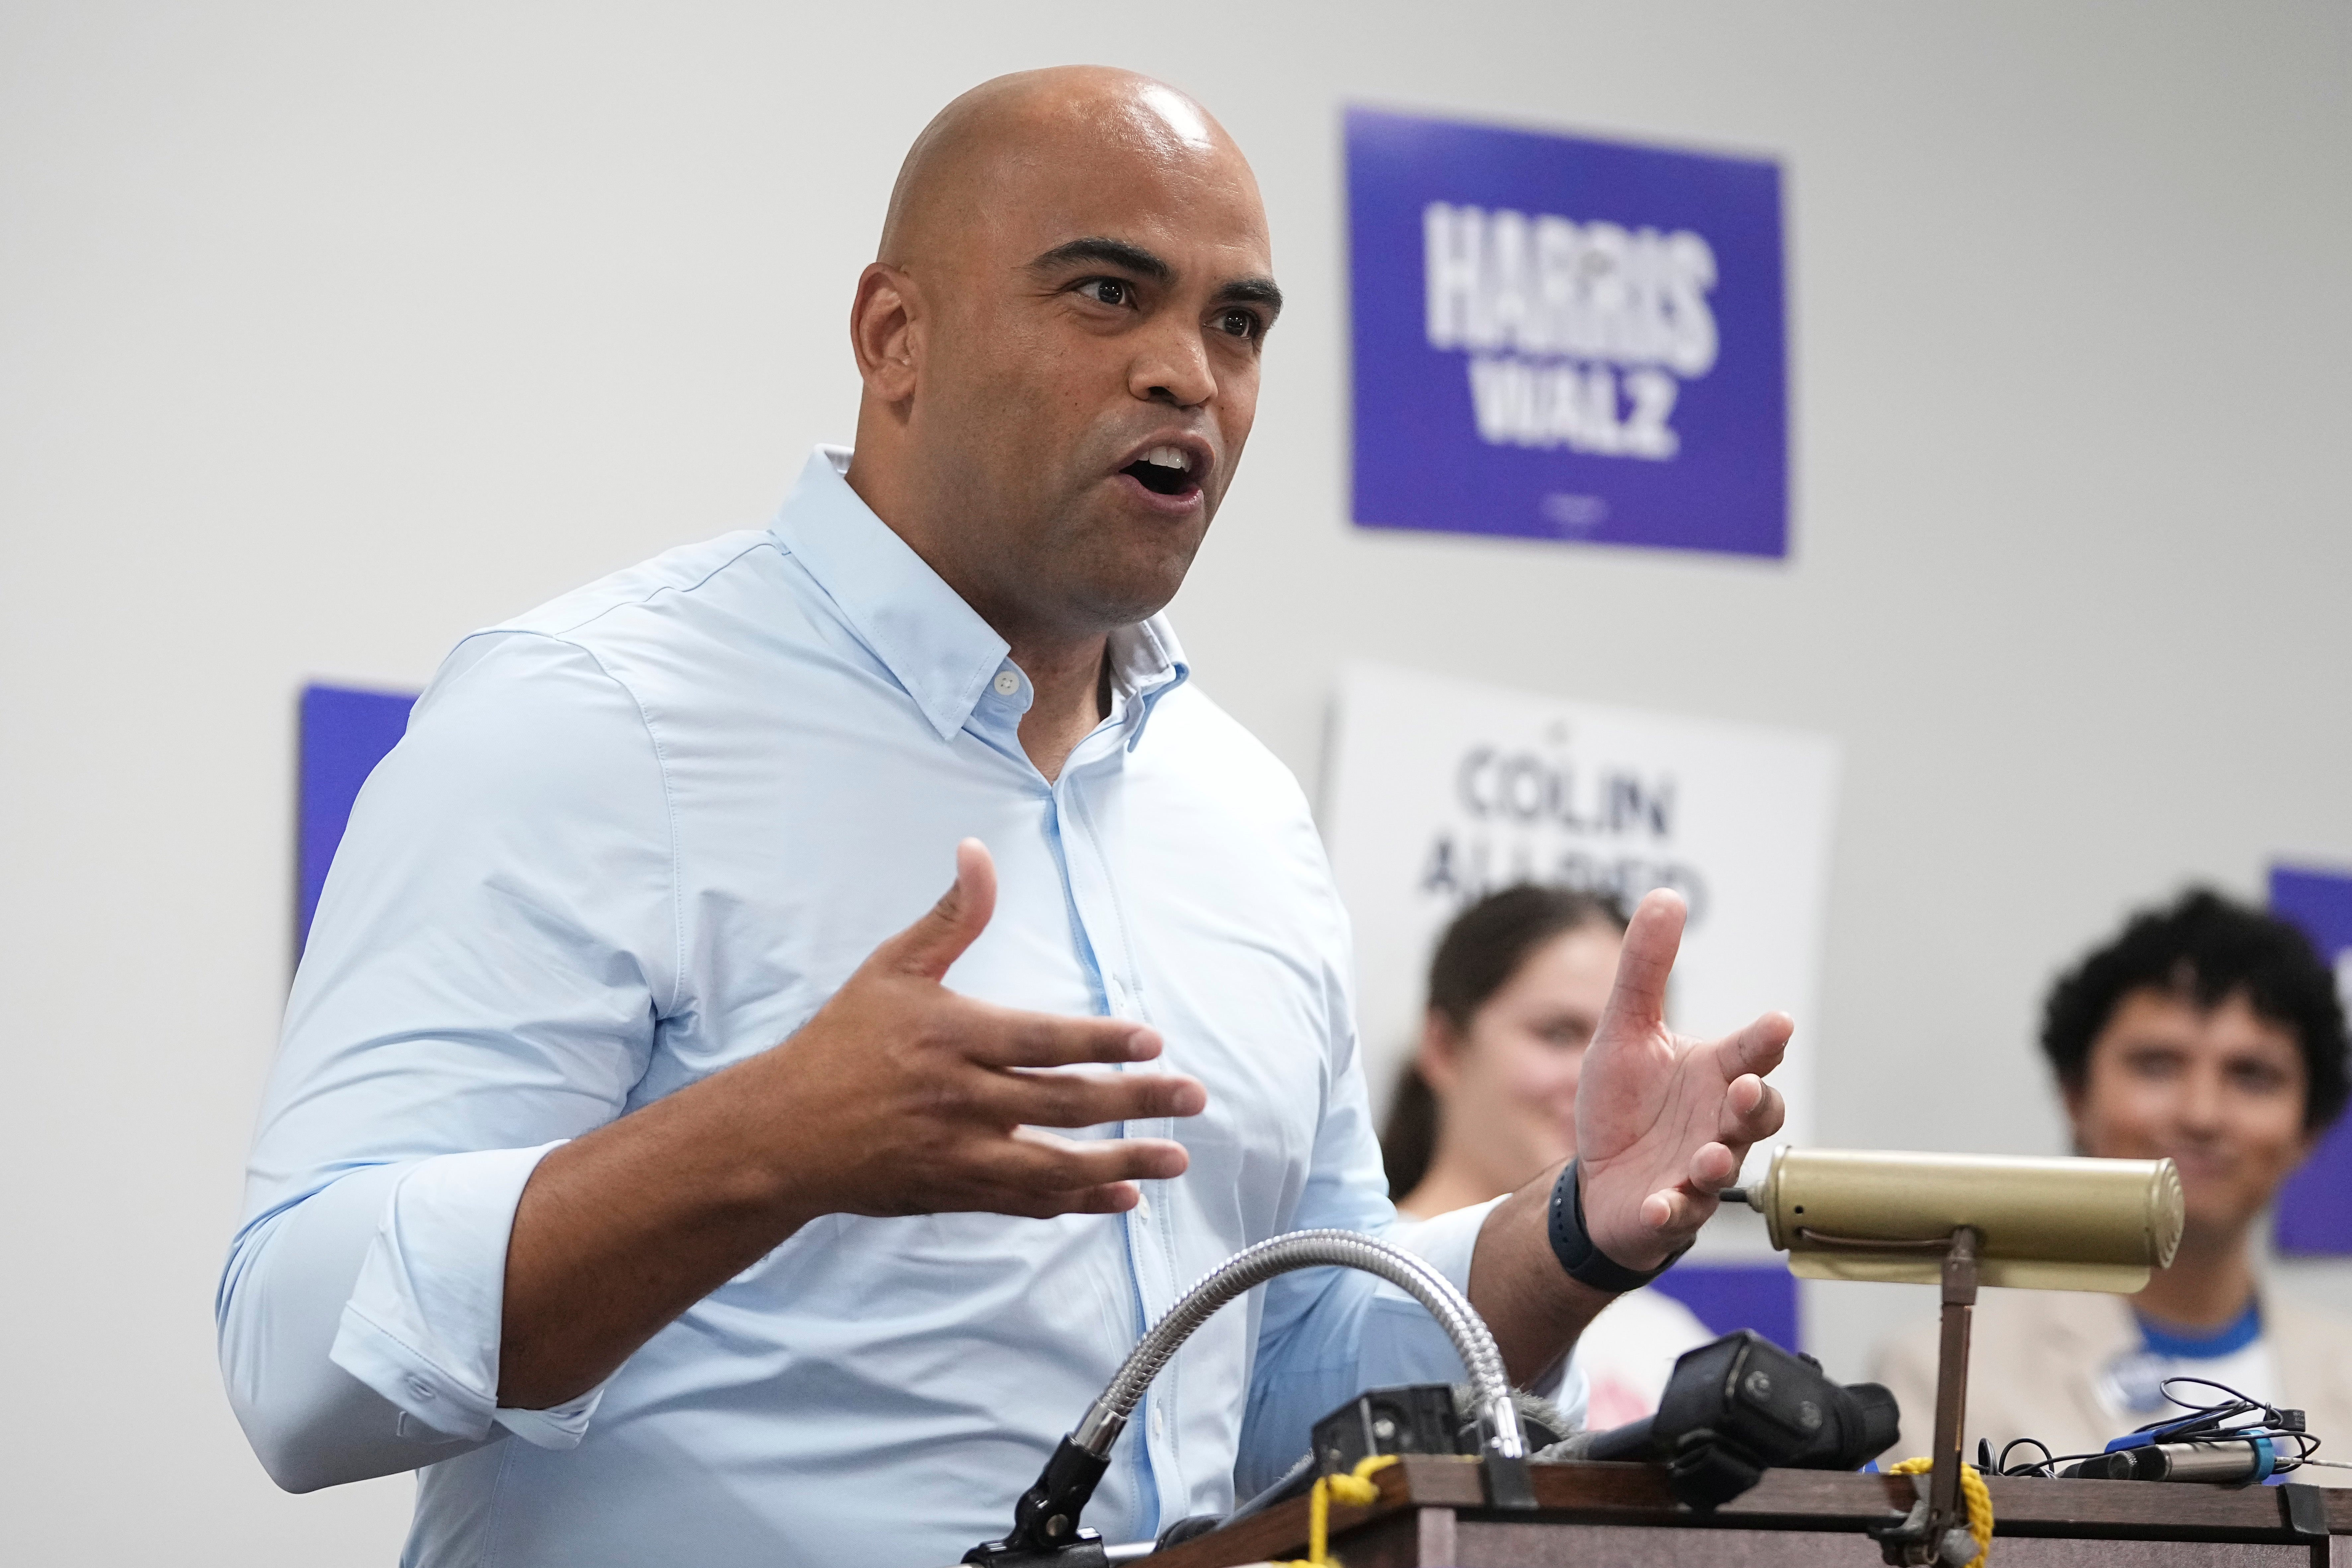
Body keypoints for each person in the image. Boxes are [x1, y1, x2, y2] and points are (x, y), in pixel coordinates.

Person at [216, 67, 1792, 1566]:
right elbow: (299, 1353)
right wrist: (768, 1143)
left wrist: (1569, 1235)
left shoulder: (1241, 814)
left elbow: (1291, 1368)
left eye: (1236, 322)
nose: (1190, 370)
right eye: (1107, 293)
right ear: (894, 333)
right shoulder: (588, 715)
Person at [1873, 889, 2352, 1478]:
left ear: (2308, 1128)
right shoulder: (1943, 1379)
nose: (2201, 1115)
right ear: (2076, 1096)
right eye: (2156, 1064)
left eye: (2251, 1075)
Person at [1383, 885, 1717, 1429]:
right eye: (1558, 1034)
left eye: (1634, 1043)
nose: (1603, 1080)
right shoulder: (1346, 1285)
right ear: (1443, 1047)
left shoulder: (1673, 1343)